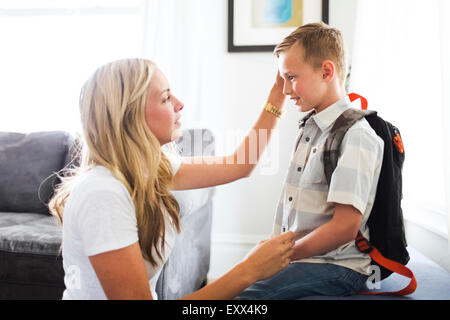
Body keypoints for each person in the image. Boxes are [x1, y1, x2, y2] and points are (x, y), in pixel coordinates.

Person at [48, 58, 294, 300]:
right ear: (130, 115)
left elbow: (240, 164)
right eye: (166, 98)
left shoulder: (151, 170)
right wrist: (248, 270)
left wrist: (277, 95)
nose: (180, 104)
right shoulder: (103, 194)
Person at [236, 22, 384, 300]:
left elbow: (344, 227)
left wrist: (281, 257)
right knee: (234, 284)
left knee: (246, 299)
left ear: (327, 71)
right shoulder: (312, 128)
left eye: (291, 77)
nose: (286, 90)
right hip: (305, 258)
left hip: (336, 266)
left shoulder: (356, 136)